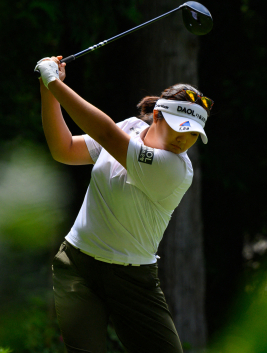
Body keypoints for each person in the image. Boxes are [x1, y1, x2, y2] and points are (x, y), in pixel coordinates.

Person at [35, 55, 213, 353]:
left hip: (134, 280)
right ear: (157, 115)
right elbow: (64, 149)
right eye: (180, 128)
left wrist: (54, 82)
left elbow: (105, 133)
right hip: (78, 266)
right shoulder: (129, 127)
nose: (185, 140)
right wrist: (47, 90)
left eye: (193, 134)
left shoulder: (175, 168)